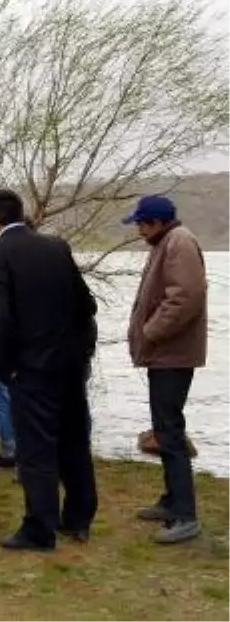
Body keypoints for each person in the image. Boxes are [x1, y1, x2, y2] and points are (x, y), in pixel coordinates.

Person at [0, 189, 98, 550]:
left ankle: (39, 528)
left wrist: (6, 368)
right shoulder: (56, 247)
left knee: (36, 448)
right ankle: (78, 518)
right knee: (74, 442)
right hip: (70, 366)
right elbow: (86, 305)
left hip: (31, 369)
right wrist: (81, 352)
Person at [124, 195, 207, 544]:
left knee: (170, 433)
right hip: (165, 355)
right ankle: (172, 501)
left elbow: (185, 296)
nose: (139, 231)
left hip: (173, 354)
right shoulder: (168, 242)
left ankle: (185, 515)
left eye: (141, 224)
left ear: (156, 222)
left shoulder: (179, 242)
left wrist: (151, 332)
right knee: (165, 428)